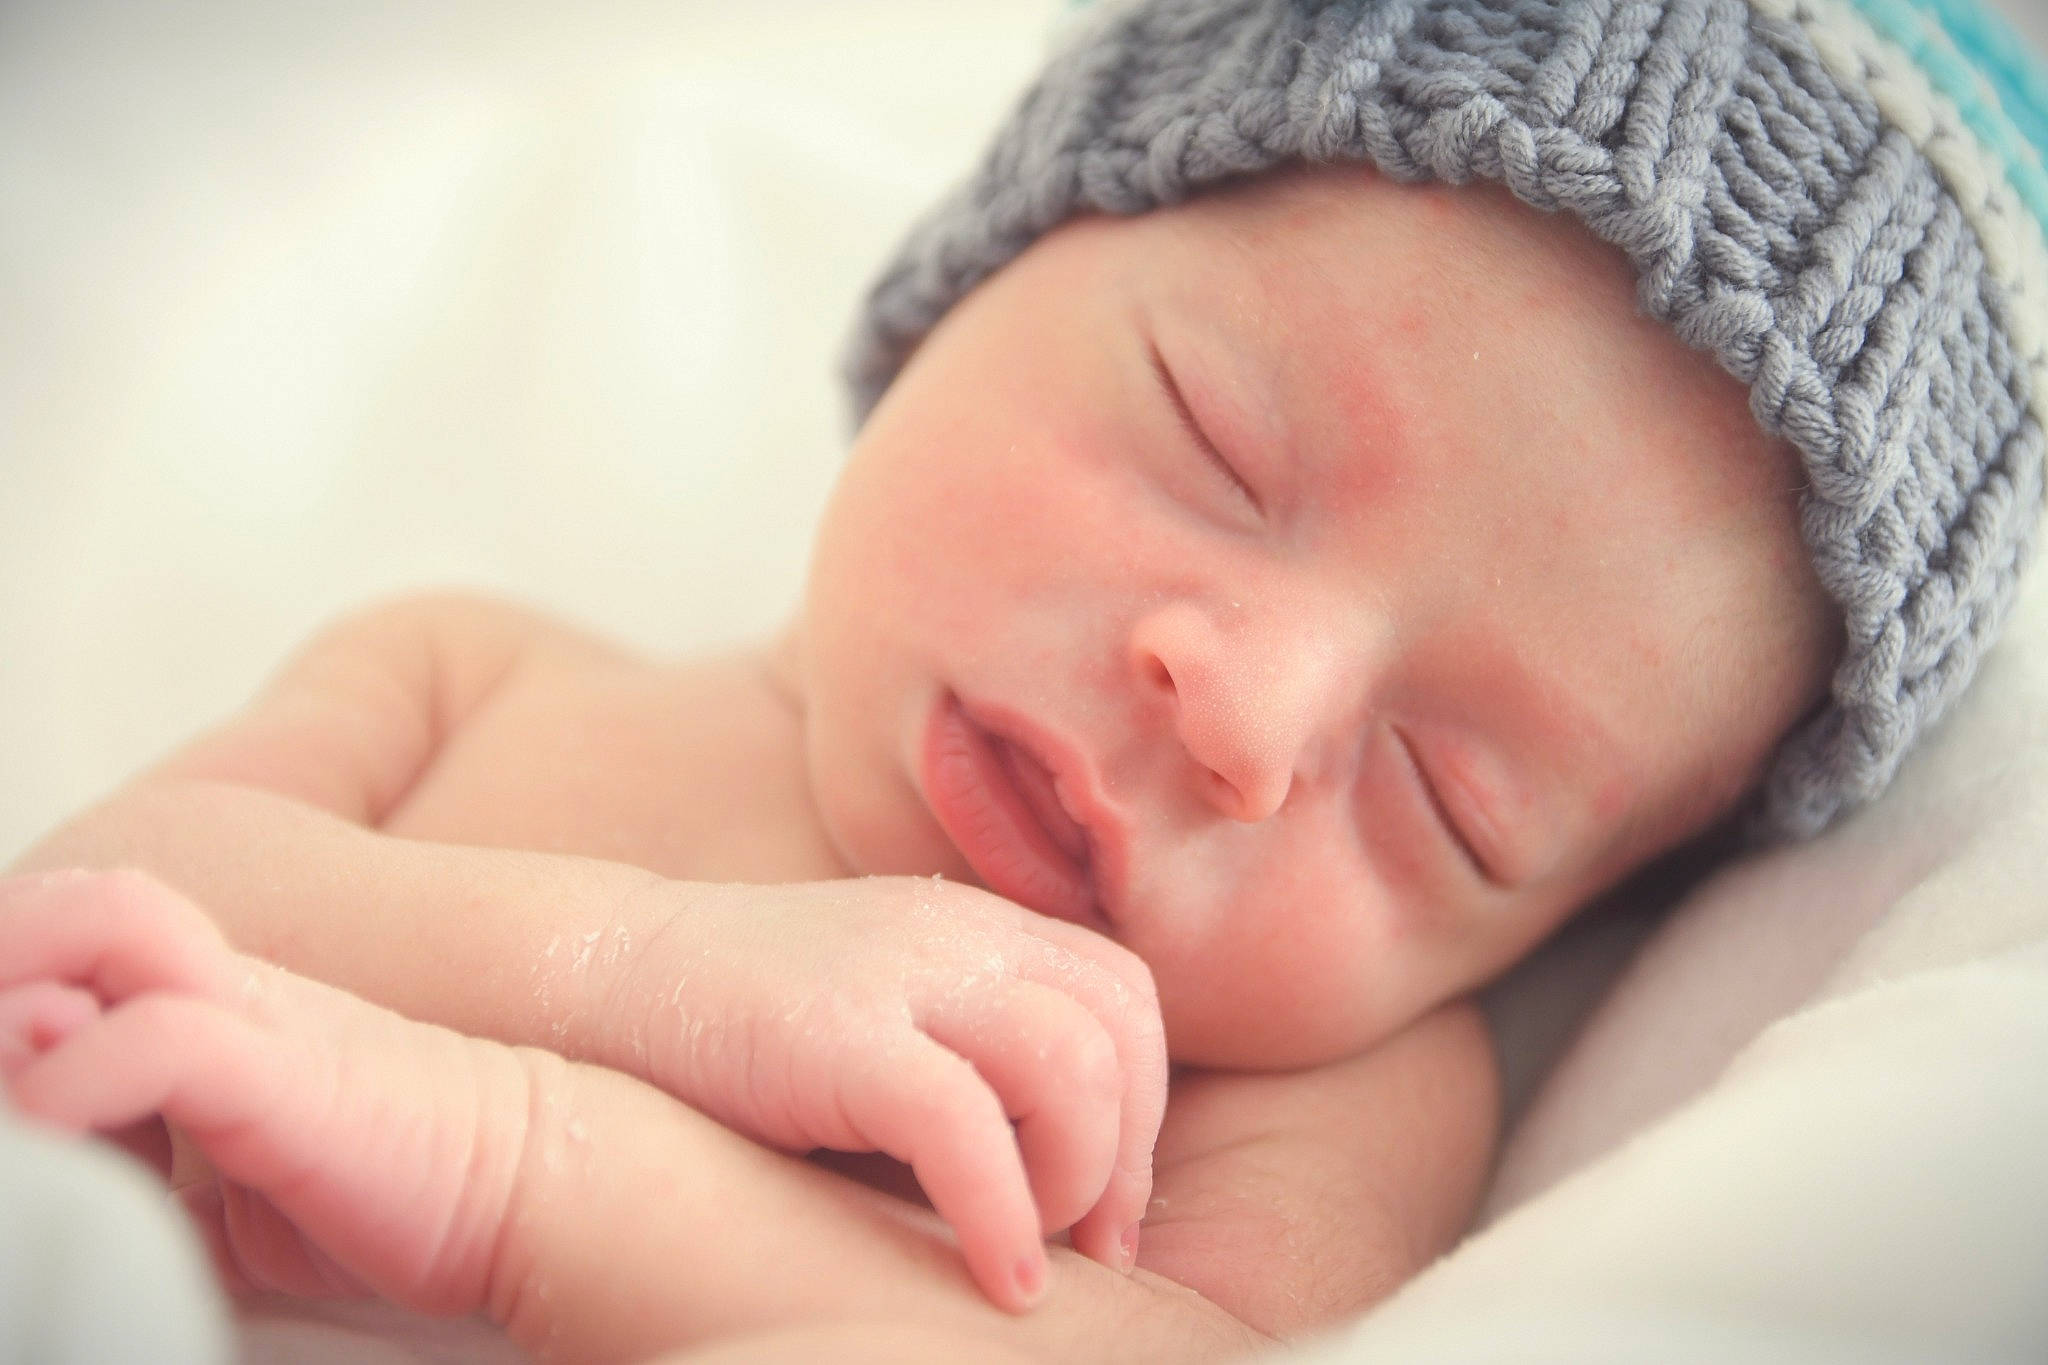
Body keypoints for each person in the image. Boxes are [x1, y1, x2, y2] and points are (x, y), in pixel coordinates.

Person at [5, 0, 2043, 1360]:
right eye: (1216, 441)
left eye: (1449, 796)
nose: (1242, 715)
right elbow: (97, 895)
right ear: (984, 268)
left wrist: (521, 1177)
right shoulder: (479, 665)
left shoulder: (1309, 1090)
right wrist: (643, 973)